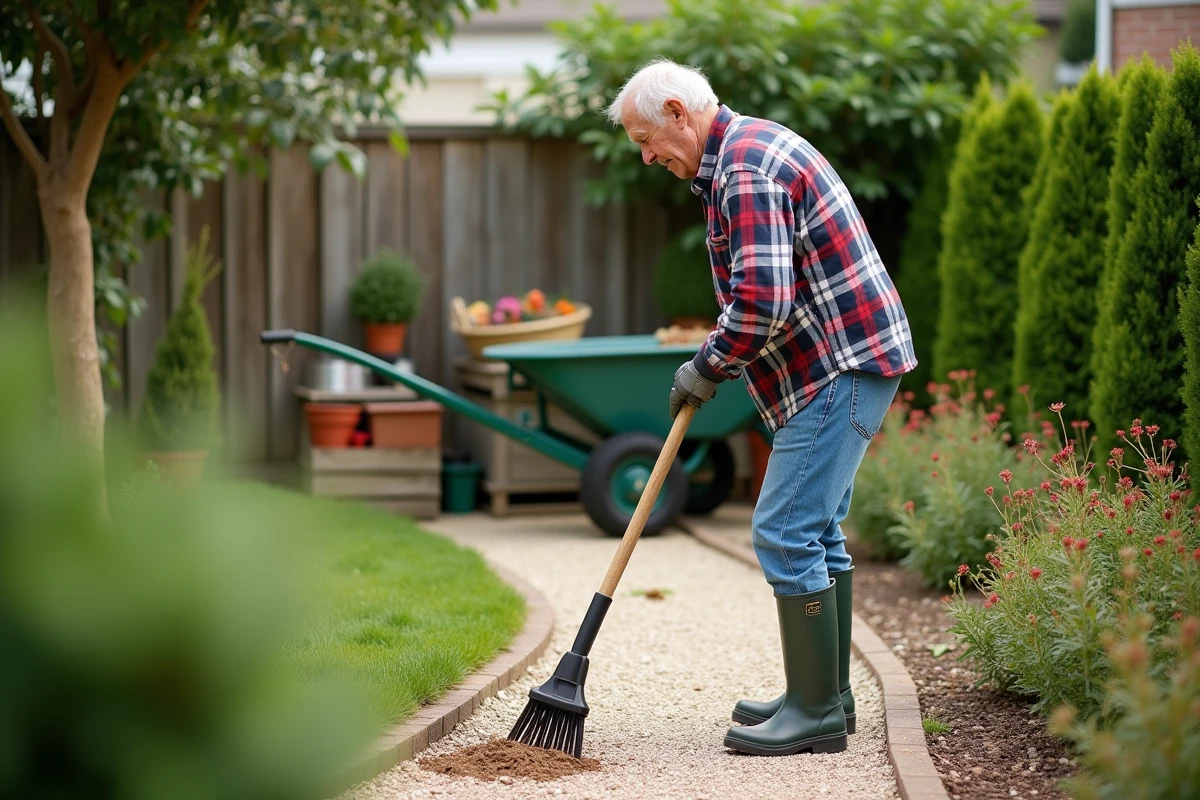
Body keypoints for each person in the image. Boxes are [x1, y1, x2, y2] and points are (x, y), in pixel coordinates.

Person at [607, 58, 917, 757]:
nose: (648, 155)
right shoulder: (744, 155)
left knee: (784, 530)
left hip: (840, 366)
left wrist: (704, 367)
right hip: (850, 361)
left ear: (680, 113)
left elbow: (762, 305)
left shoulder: (745, 169)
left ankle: (813, 714)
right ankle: (826, 698)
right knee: (819, 529)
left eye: (646, 139)